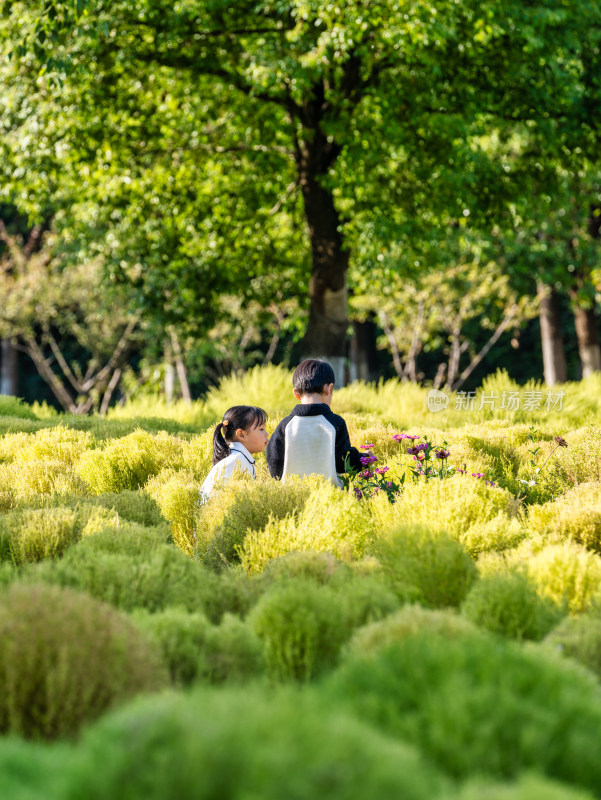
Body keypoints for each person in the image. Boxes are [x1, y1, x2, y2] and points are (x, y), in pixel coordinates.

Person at [266, 358, 363, 486]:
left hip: (293, 494)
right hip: (329, 494)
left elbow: (274, 461)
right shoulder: (336, 423)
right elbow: (343, 462)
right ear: (329, 388)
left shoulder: (286, 425)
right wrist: (364, 459)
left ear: (296, 393)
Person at [200, 405, 269, 502]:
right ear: (241, 434)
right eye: (261, 429)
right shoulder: (235, 462)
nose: (267, 434)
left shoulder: (239, 458)